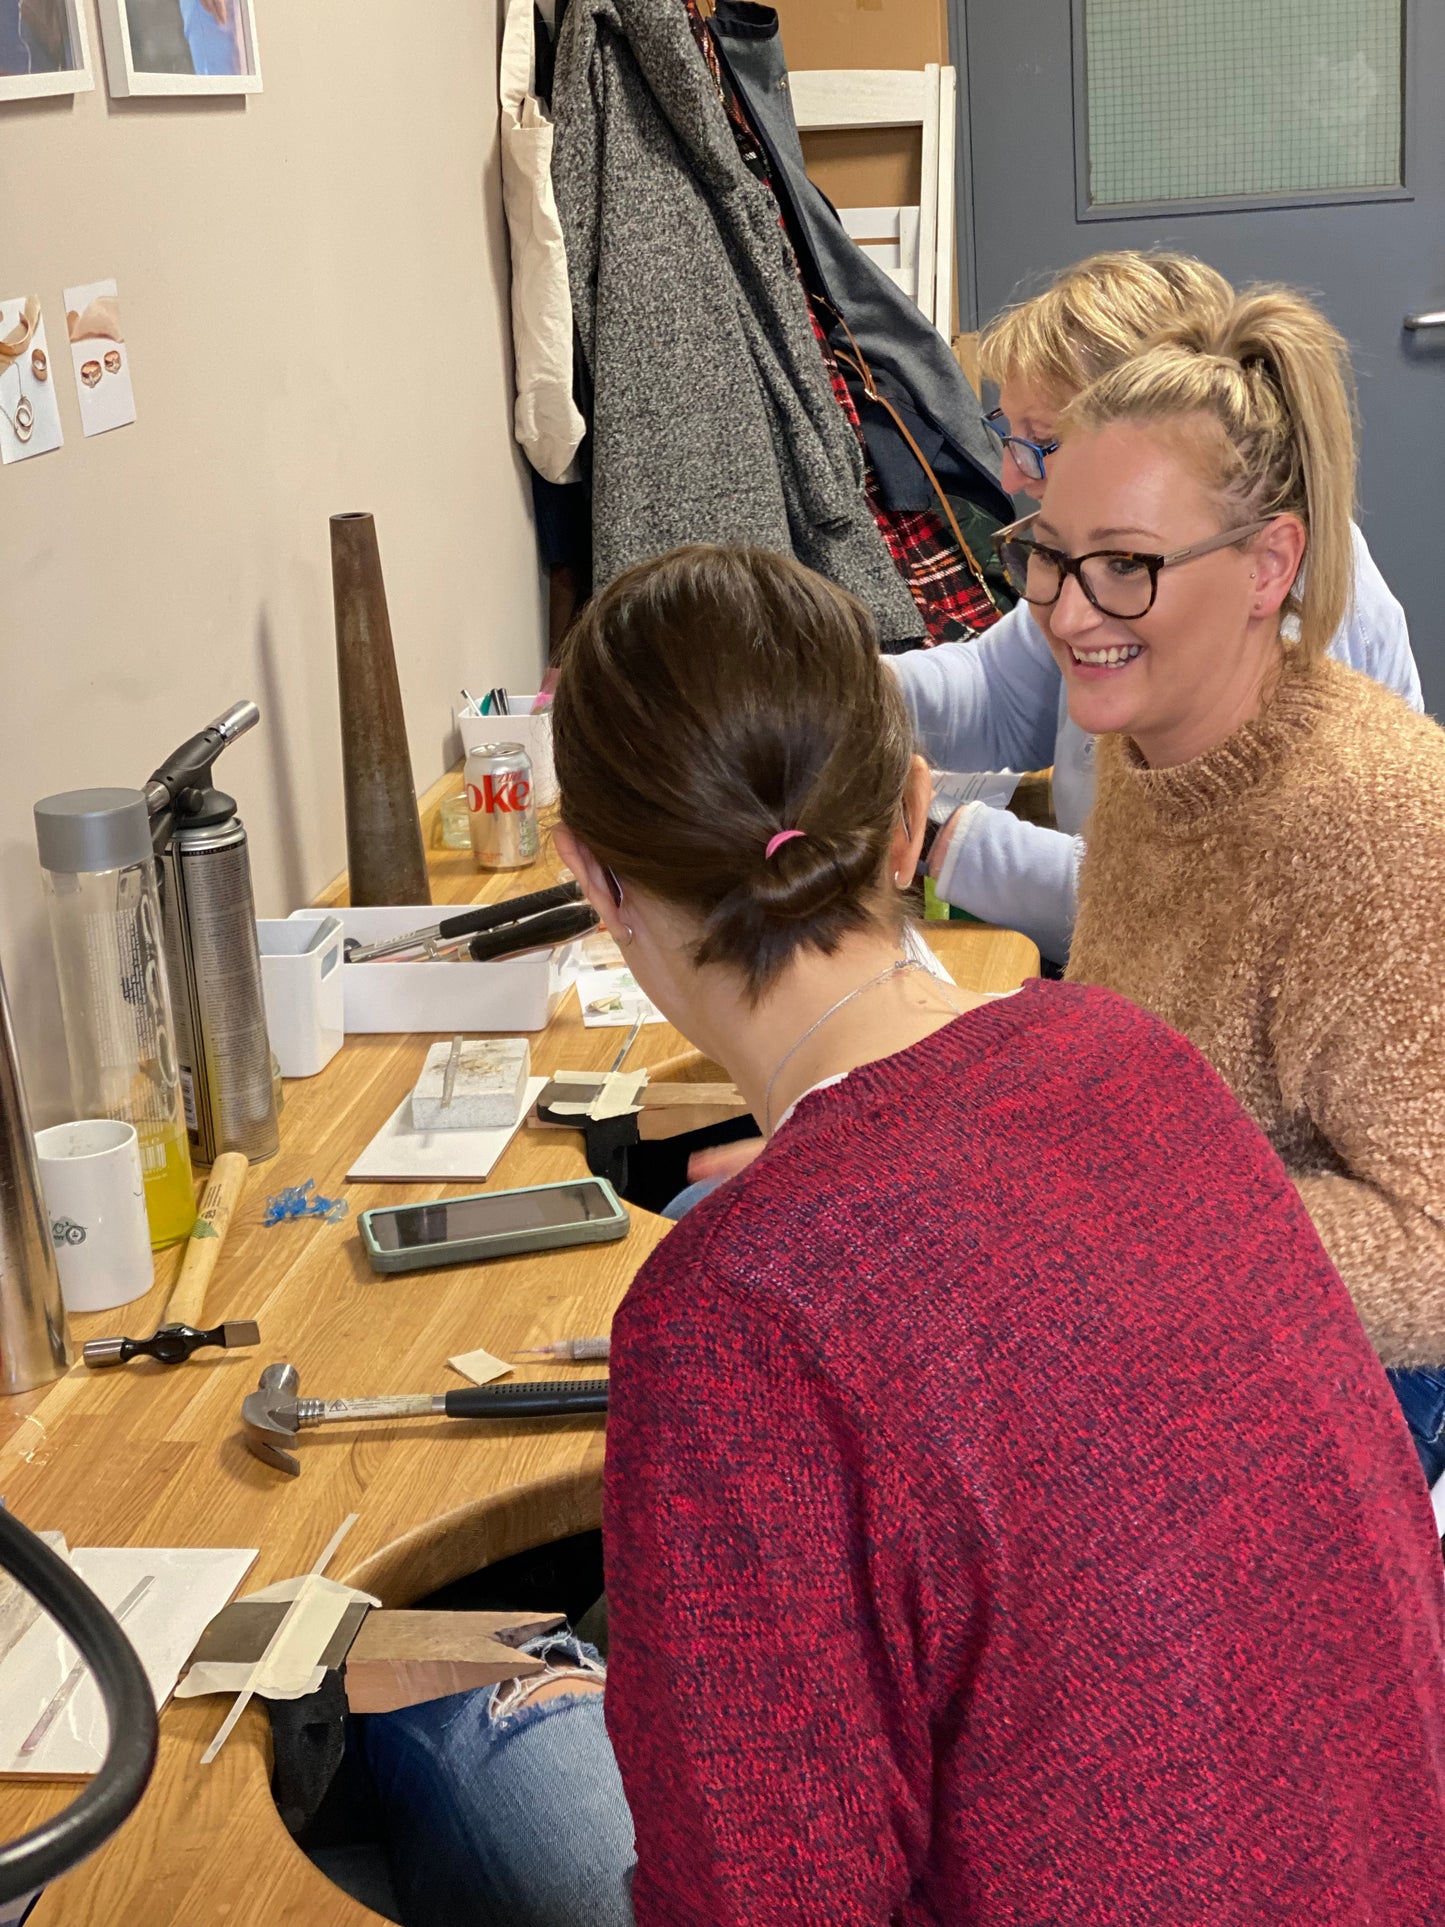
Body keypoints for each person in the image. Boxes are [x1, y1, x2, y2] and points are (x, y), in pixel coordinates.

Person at [362, 545, 1445, 1926]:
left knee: (462, 1732)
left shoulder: (730, 1317)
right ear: (910, 812)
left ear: (596, 879)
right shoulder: (1128, 1055)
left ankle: (535, 1694)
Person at [1003, 287, 1445, 1477]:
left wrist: (1113, 1230)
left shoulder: (1372, 815)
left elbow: (1430, 1252)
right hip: (1173, 1288)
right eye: (1047, 556)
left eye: (1126, 567)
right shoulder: (1141, 743)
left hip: (1348, 1381)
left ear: (1267, 567)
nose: (1067, 611)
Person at [889, 251, 1422, 965]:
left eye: (1041, 441)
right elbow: (998, 693)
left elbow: (1191, 905)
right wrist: (840, 690)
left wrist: (934, 836)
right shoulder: (1098, 581)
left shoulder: (1273, 627)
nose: (1010, 471)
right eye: (1007, 431)